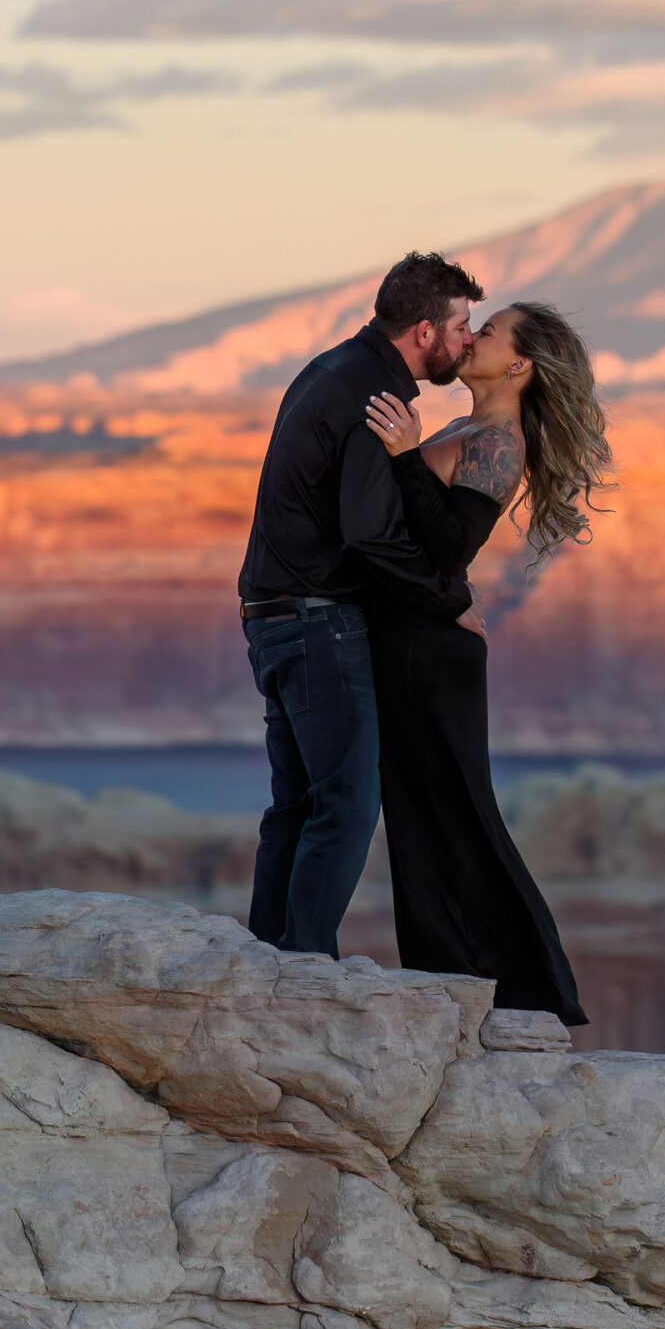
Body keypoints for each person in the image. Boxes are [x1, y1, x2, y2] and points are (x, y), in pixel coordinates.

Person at [362, 300, 609, 1024]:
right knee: (416, 814)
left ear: (518, 364)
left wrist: (405, 458)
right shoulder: (466, 426)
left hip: (431, 658)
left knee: (458, 812)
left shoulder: (497, 438)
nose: (470, 338)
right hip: (417, 639)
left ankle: (528, 990)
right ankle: (453, 981)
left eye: (488, 332)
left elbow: (445, 546)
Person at [238, 250, 483, 953]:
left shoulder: (331, 367)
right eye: (462, 326)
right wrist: (446, 599)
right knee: (345, 805)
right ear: (425, 333)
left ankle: (266, 960)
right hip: (318, 625)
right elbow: (370, 534)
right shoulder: (378, 399)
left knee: (296, 804)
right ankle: (304, 964)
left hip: (271, 618)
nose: (469, 339)